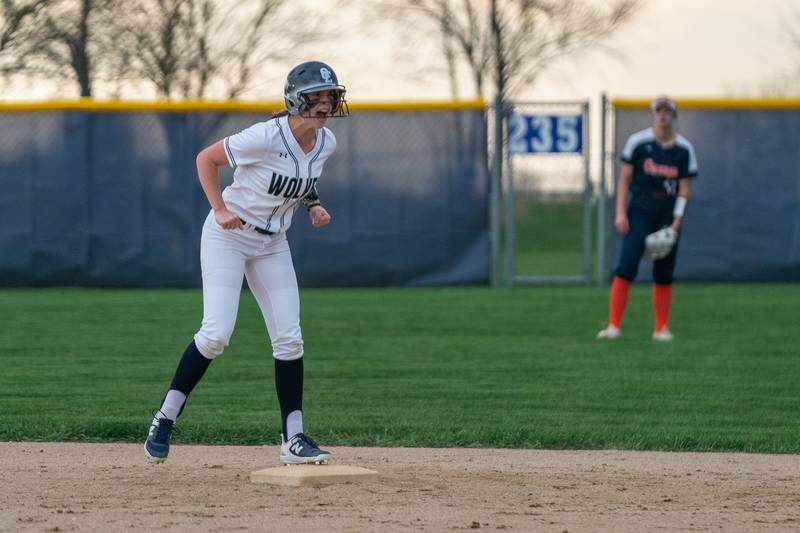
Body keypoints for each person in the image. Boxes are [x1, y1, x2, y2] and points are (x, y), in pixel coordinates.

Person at [144, 61, 348, 464]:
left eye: (331, 96)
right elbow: (206, 159)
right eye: (316, 97)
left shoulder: (326, 143)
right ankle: (165, 417)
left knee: (290, 337)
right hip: (229, 236)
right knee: (216, 335)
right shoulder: (265, 136)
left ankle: (293, 439)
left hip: (273, 244)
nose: (325, 104)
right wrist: (218, 207)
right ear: (295, 100)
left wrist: (314, 204)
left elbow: (302, 178)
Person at [597, 96, 697, 341]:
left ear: (674, 115)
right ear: (653, 114)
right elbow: (624, 180)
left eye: (667, 111)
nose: (663, 115)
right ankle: (614, 326)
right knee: (627, 266)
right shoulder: (638, 143)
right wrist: (620, 212)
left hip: (667, 210)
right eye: (659, 110)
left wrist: (677, 220)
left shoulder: (684, 149)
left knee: (664, 271)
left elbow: (684, 188)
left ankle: (661, 328)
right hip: (640, 208)